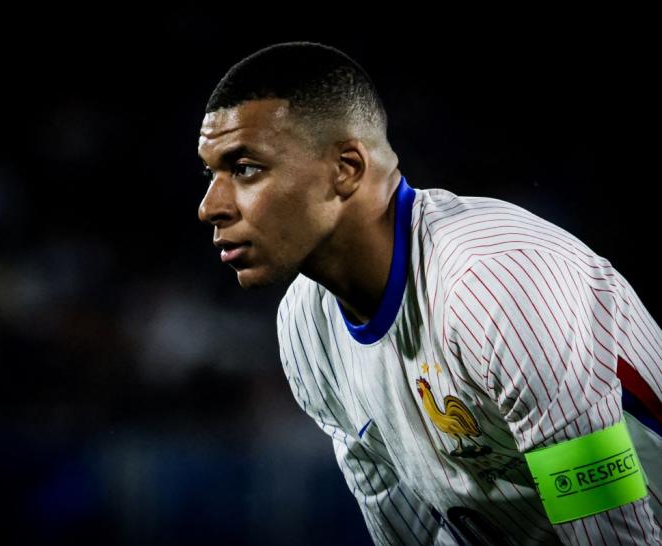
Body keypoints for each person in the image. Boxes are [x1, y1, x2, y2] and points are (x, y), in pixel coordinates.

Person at [196, 41, 661, 545]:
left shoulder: (494, 286)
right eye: (210, 174)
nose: (209, 206)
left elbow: (616, 535)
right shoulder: (305, 324)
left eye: (245, 168)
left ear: (346, 169)